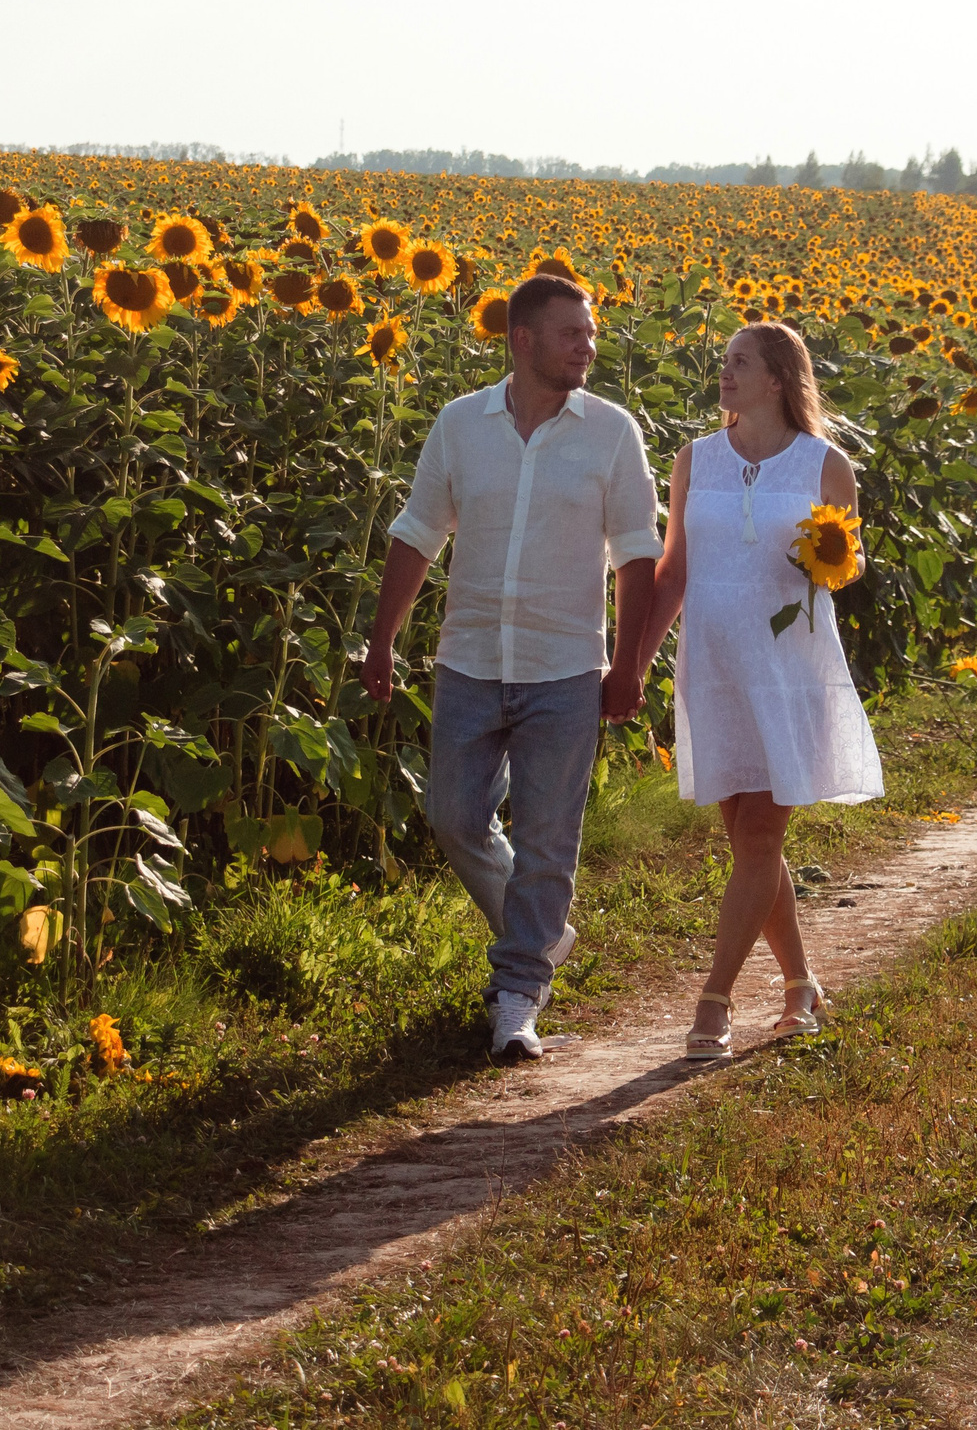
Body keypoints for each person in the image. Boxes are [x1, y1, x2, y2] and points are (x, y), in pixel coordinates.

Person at [360, 274, 662, 1063]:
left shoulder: (613, 433)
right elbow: (419, 530)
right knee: (452, 816)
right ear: (522, 339)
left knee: (549, 839)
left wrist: (629, 663)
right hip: (467, 659)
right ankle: (541, 932)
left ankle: (518, 991)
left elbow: (638, 556)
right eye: (573, 334)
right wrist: (383, 637)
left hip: (564, 668)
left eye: (591, 334)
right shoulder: (462, 424)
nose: (589, 347)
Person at [621, 320, 883, 1059]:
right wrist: (634, 664)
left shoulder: (823, 464)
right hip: (713, 666)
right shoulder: (693, 459)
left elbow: (849, 557)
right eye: (724, 362)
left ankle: (714, 1001)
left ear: (776, 378)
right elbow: (672, 571)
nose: (724, 373)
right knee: (747, 844)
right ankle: (802, 986)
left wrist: (833, 560)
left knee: (763, 836)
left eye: (739, 363)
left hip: (787, 667)